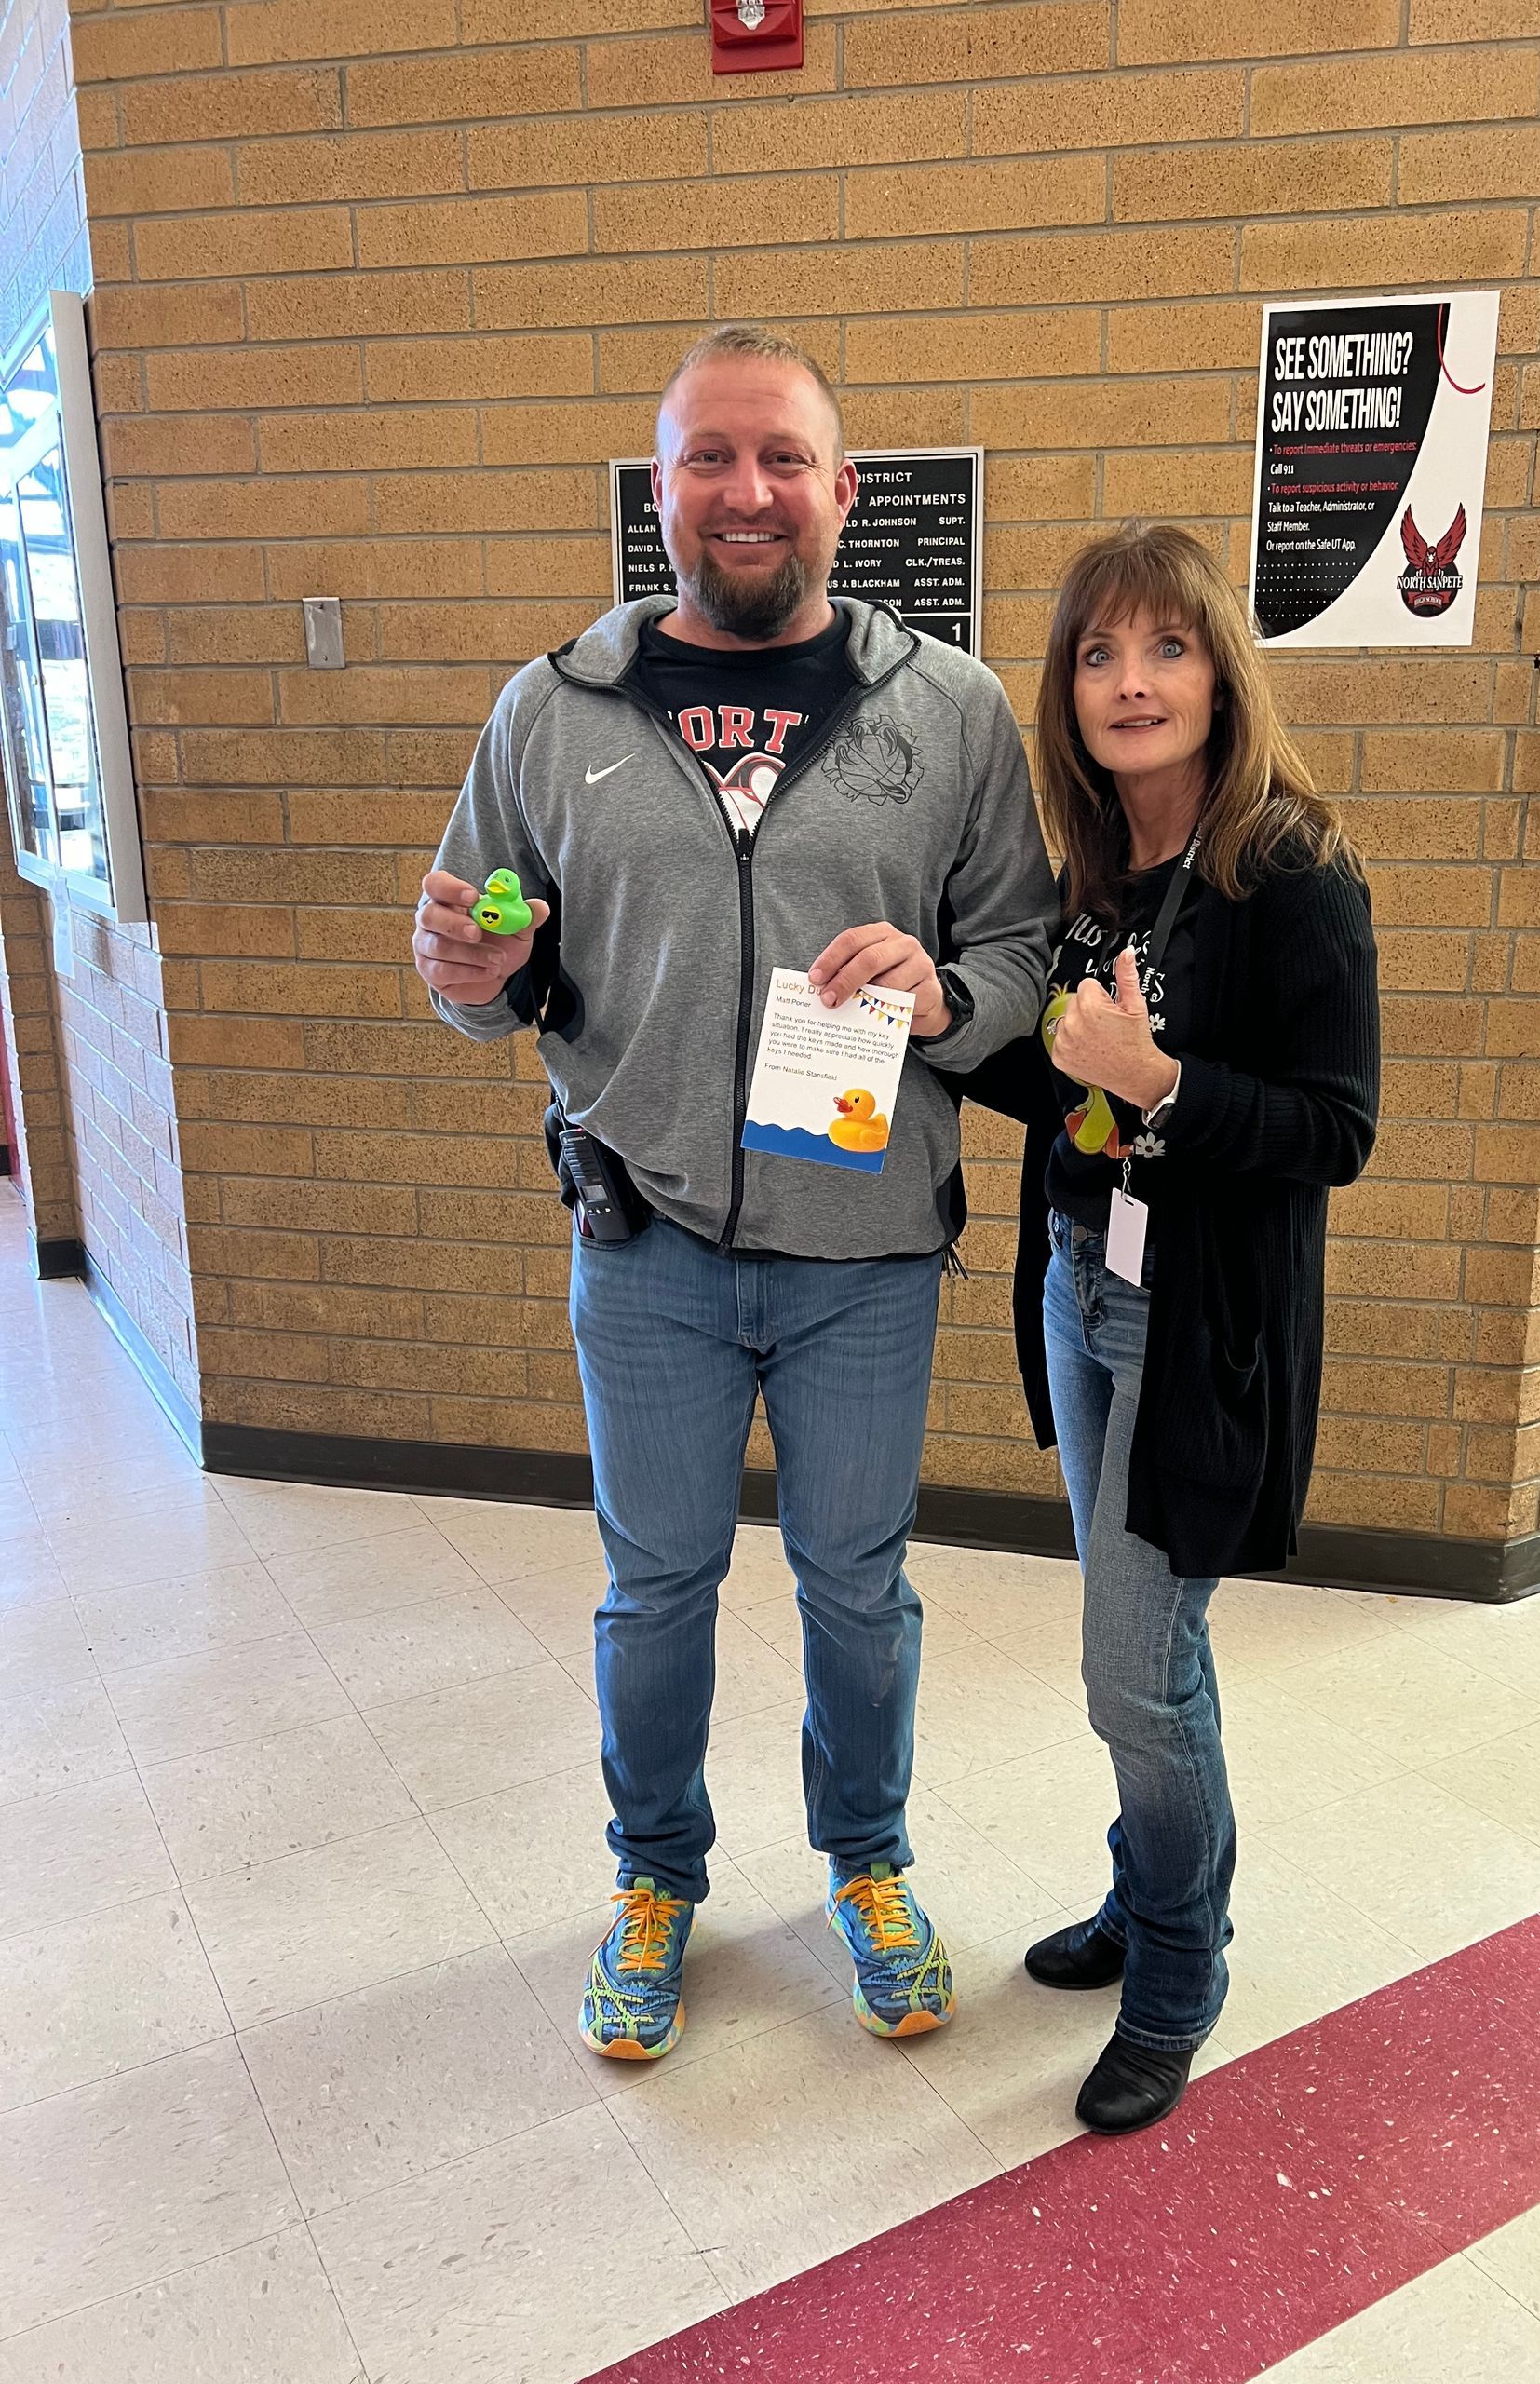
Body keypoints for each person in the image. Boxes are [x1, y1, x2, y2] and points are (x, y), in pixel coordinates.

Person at [412, 326, 1054, 2062]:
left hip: (866, 1256)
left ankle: (867, 1861)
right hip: (649, 1244)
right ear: (662, 489)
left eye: (781, 458)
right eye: (709, 459)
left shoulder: (955, 710)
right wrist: (467, 976)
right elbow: (481, 943)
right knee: (655, 1588)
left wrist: (946, 997)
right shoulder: (555, 711)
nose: (745, 492)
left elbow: (1021, 947)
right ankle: (656, 1875)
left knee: (859, 1587)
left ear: (845, 491)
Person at [966, 522, 1380, 2134]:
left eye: (1165, 649)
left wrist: (1166, 1088)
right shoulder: (1096, 871)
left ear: (1220, 667)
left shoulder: (1289, 868)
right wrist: (938, 1018)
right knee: (1148, 1653)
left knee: (1135, 1673)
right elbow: (1057, 1076)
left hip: (1192, 1325)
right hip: (1081, 1287)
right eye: (1095, 655)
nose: (1129, 683)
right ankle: (1155, 1896)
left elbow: (1335, 1127)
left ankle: (1180, 1968)